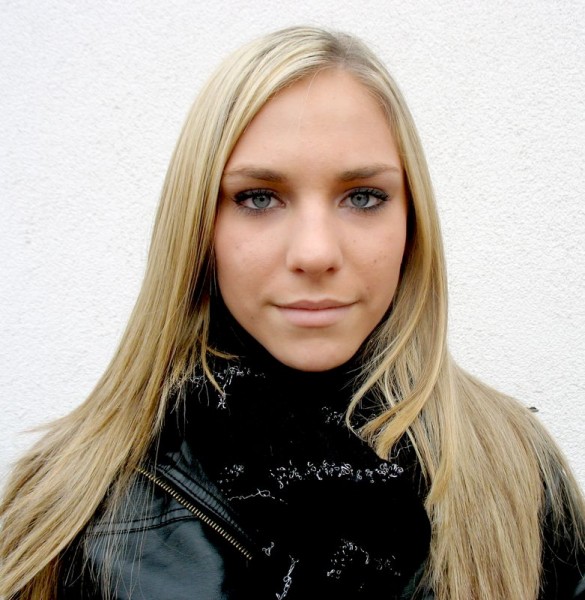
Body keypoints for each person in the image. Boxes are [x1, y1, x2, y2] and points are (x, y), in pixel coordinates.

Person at [1, 25, 584, 600]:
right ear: (197, 226)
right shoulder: (65, 508)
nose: (315, 253)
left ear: (412, 222)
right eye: (259, 198)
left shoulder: (515, 466)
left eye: (363, 197)